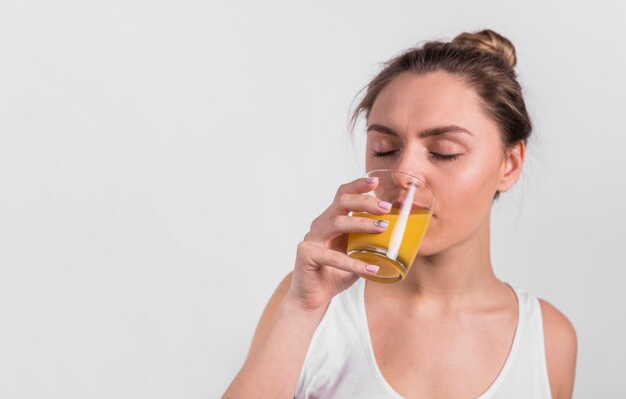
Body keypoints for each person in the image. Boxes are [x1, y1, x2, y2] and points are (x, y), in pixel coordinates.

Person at [223, 29, 577, 399]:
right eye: (384, 149)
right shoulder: (315, 306)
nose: (405, 175)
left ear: (510, 164)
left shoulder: (548, 339)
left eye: (443, 152)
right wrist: (301, 310)